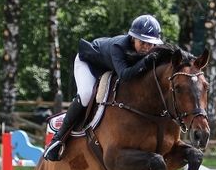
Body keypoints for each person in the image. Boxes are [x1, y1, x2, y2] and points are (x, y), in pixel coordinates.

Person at [43, 14, 164, 161]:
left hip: (109, 67)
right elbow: (125, 75)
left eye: (150, 44)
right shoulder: (118, 47)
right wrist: (145, 62)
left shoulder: (151, 50)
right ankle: (57, 139)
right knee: (86, 94)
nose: (146, 47)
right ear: (133, 38)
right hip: (89, 63)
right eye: (142, 42)